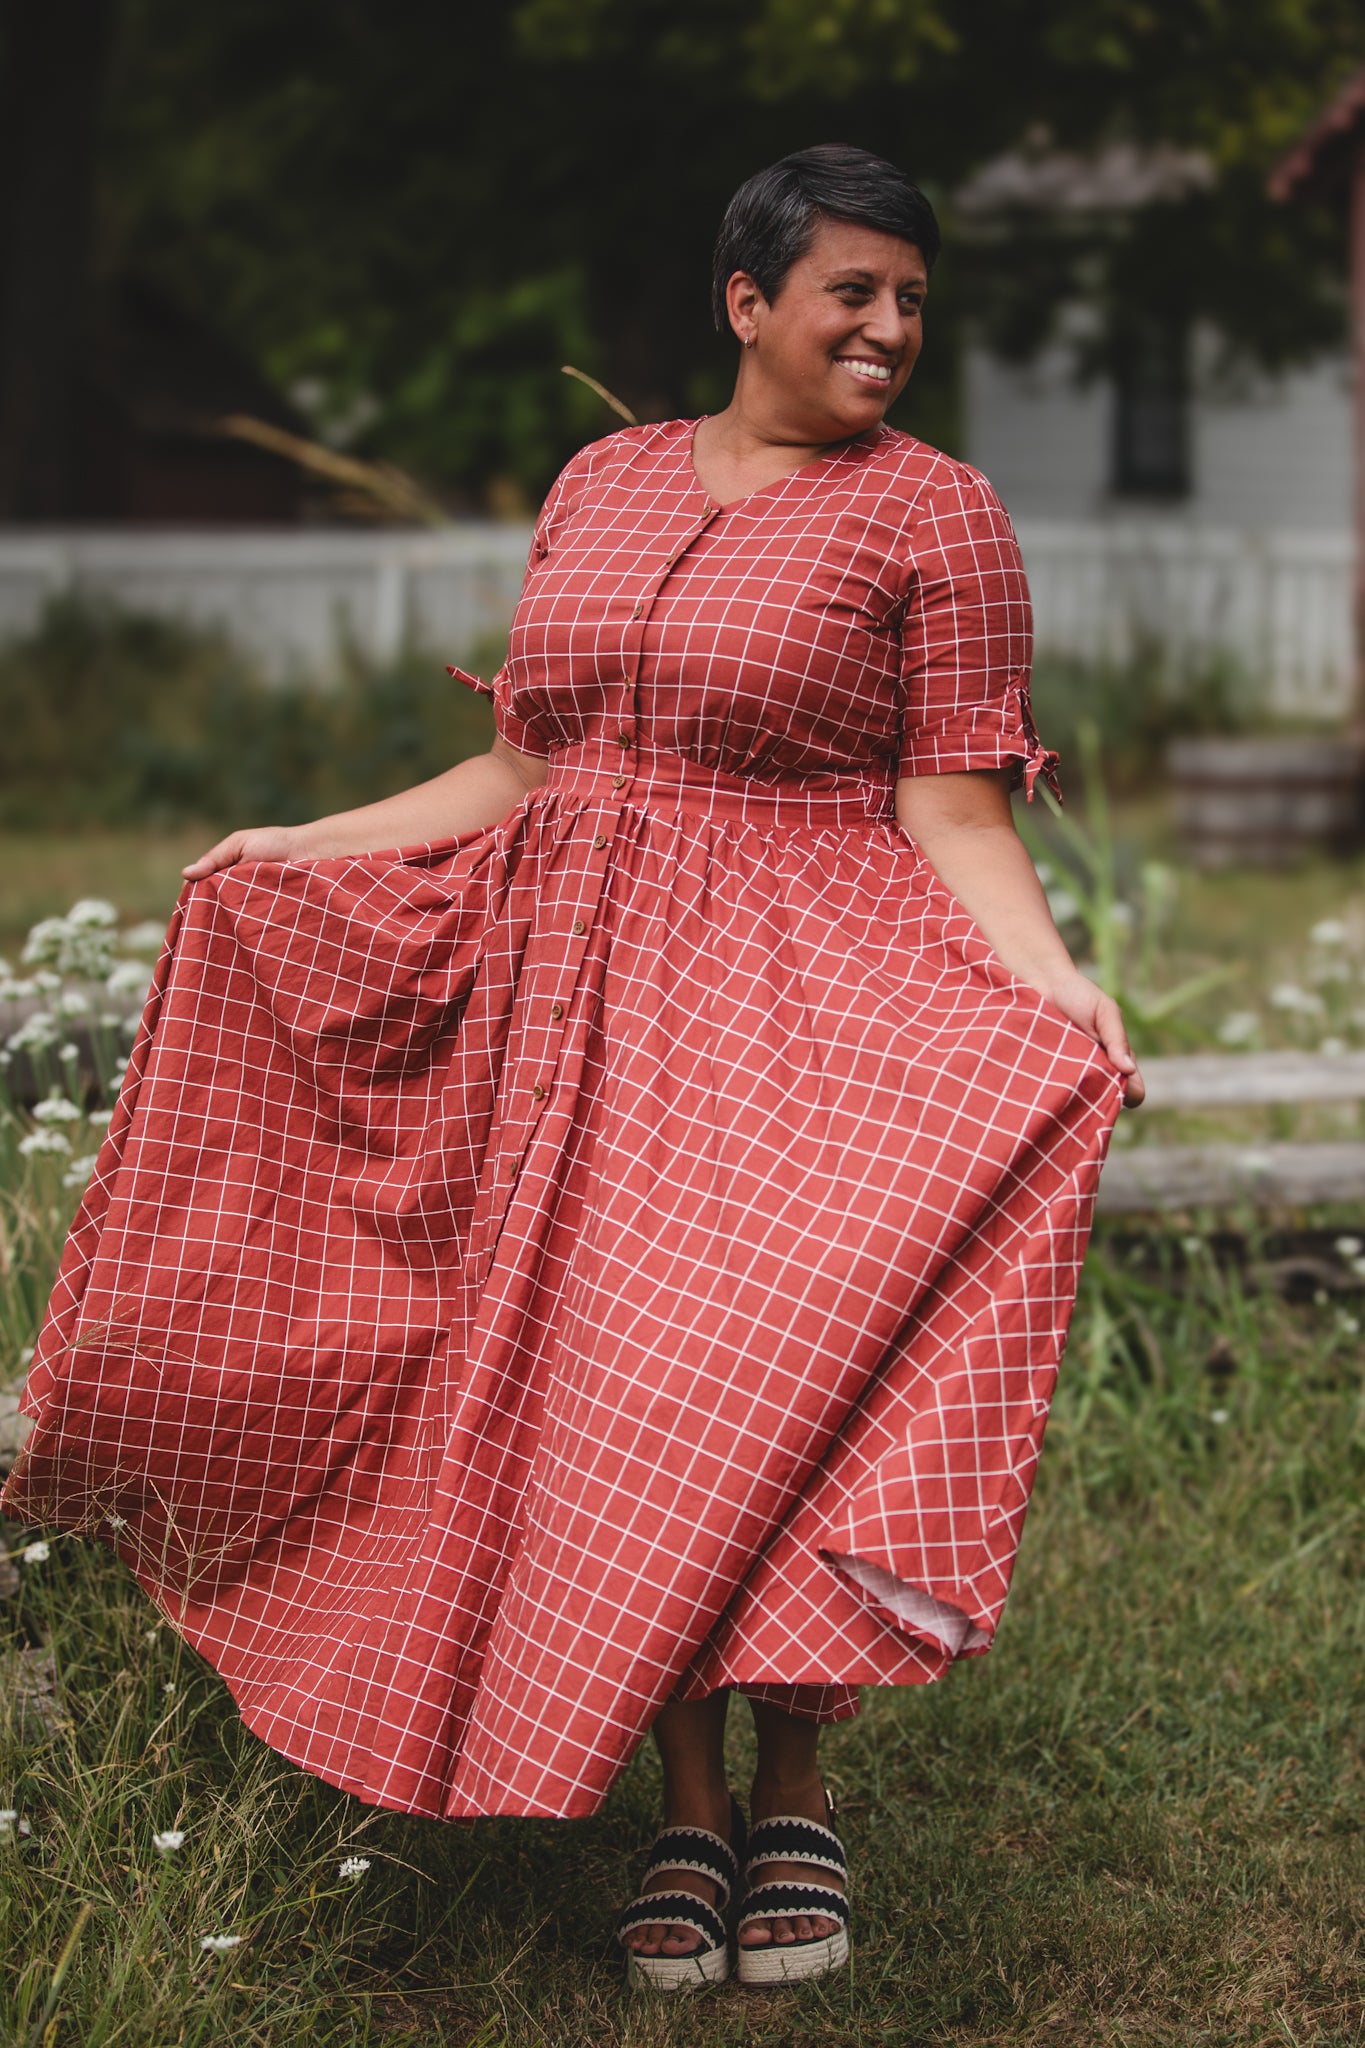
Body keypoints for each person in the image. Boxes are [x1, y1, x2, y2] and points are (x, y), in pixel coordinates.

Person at [3, 144, 1142, 1993]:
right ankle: (685, 1812)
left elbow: (951, 806)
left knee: (752, 1366)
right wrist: (301, 843)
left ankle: (797, 1790)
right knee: (610, 1384)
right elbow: (528, 765)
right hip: (572, 1002)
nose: (887, 327)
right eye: (852, 290)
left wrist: (1055, 985)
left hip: (799, 994)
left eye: (912, 300)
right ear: (747, 302)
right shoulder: (601, 481)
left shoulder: (936, 513)